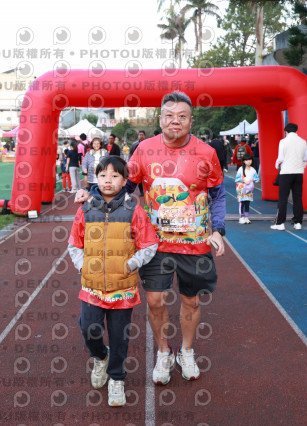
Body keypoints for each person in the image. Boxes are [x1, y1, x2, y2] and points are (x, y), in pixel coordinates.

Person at [75, 91, 226, 385]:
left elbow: (218, 193)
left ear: (191, 120)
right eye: (169, 116)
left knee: (192, 301)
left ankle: (186, 351)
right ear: (160, 119)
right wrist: (92, 195)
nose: (175, 121)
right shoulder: (144, 150)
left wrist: (218, 229)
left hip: (195, 243)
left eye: (182, 116)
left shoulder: (206, 153)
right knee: (155, 301)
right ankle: (163, 352)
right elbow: (124, 185)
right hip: (154, 242)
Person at [68, 156, 159, 407]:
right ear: (95, 178)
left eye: (115, 175)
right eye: (103, 175)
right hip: (92, 286)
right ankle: (100, 356)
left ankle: (117, 377)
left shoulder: (133, 210)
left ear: (125, 180)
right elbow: (74, 243)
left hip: (123, 288)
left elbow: (149, 244)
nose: (108, 180)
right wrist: (83, 266)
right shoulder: (85, 209)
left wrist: (130, 264)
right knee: (89, 328)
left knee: (119, 336)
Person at [271, 123, 307, 231]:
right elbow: (305, 158)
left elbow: (281, 158)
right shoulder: (303, 142)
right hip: (299, 172)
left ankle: (280, 223)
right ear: (296, 131)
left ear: (286, 131)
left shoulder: (283, 141)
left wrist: (277, 164)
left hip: (286, 172)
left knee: (283, 199)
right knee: (297, 198)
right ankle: (298, 222)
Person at [234, 153, 259, 224]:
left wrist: (251, 180)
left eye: (250, 160)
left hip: (249, 190)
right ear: (244, 161)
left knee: (247, 203)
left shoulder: (253, 170)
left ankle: (246, 217)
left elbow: (257, 179)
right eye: (247, 160)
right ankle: (241, 217)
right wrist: (244, 180)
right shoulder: (240, 169)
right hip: (241, 189)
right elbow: (236, 179)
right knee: (242, 203)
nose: (249, 161)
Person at [128, 130, 147, 196]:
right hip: (137, 164)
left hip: (146, 164)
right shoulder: (134, 144)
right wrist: (130, 162)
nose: (141, 136)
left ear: (144, 136)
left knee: (147, 178)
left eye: (142, 135)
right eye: (140, 135)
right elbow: (131, 153)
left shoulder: (147, 144)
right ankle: (141, 191)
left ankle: (147, 191)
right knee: (138, 178)